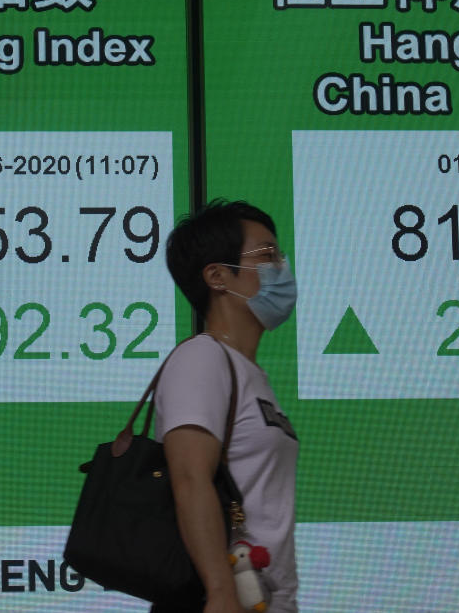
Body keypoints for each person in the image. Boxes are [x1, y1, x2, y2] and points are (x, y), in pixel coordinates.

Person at [151, 199, 299, 613]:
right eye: (267, 256)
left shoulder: (252, 375)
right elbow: (189, 478)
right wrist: (219, 591)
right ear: (217, 276)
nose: (282, 269)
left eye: (281, 256)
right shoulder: (202, 358)